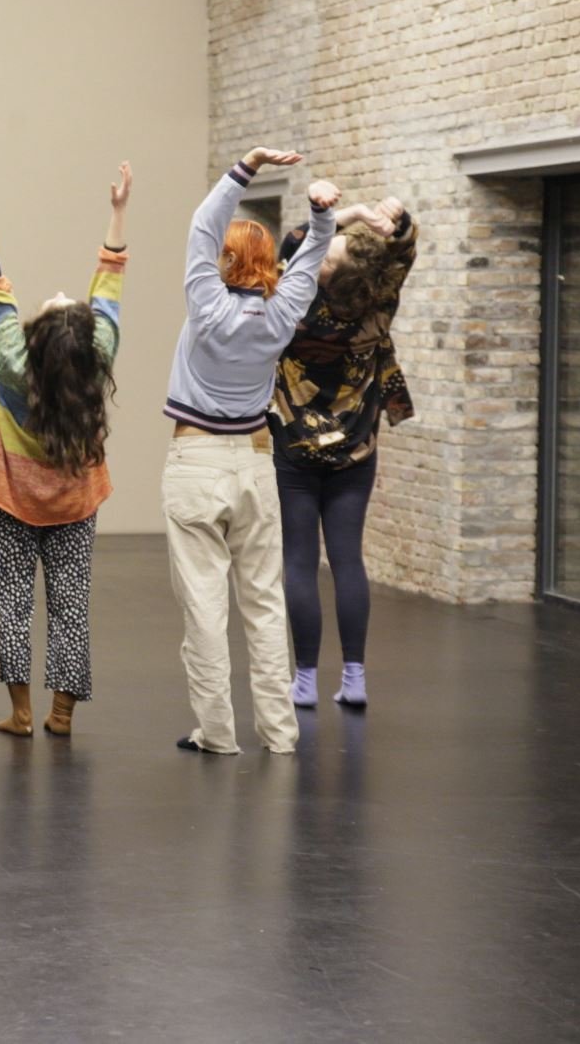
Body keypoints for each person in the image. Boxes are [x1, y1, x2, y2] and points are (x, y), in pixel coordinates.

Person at [163, 148, 371, 756]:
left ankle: (218, 734)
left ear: (225, 261)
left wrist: (246, 168)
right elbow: (308, 261)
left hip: (197, 461)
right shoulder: (282, 315)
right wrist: (322, 213)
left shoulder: (206, 305)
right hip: (256, 464)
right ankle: (280, 733)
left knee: (205, 608)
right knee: (263, 603)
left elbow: (202, 226)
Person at [0, 165, 130, 738]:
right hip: (75, 505)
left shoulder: (14, 364)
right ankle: (61, 714)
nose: (62, 295)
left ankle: (21, 714)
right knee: (70, 606)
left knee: (13, 604)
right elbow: (108, 289)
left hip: (12, 499)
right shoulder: (96, 360)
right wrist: (118, 213)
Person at [271, 195, 417, 709]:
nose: (324, 248)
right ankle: (354, 678)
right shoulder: (379, 303)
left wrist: (352, 213)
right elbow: (405, 248)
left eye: (329, 252)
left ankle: (305, 681)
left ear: (326, 274)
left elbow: (293, 243)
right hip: (356, 448)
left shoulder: (300, 302)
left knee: (299, 560)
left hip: (294, 446)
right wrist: (398, 217)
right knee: (347, 558)